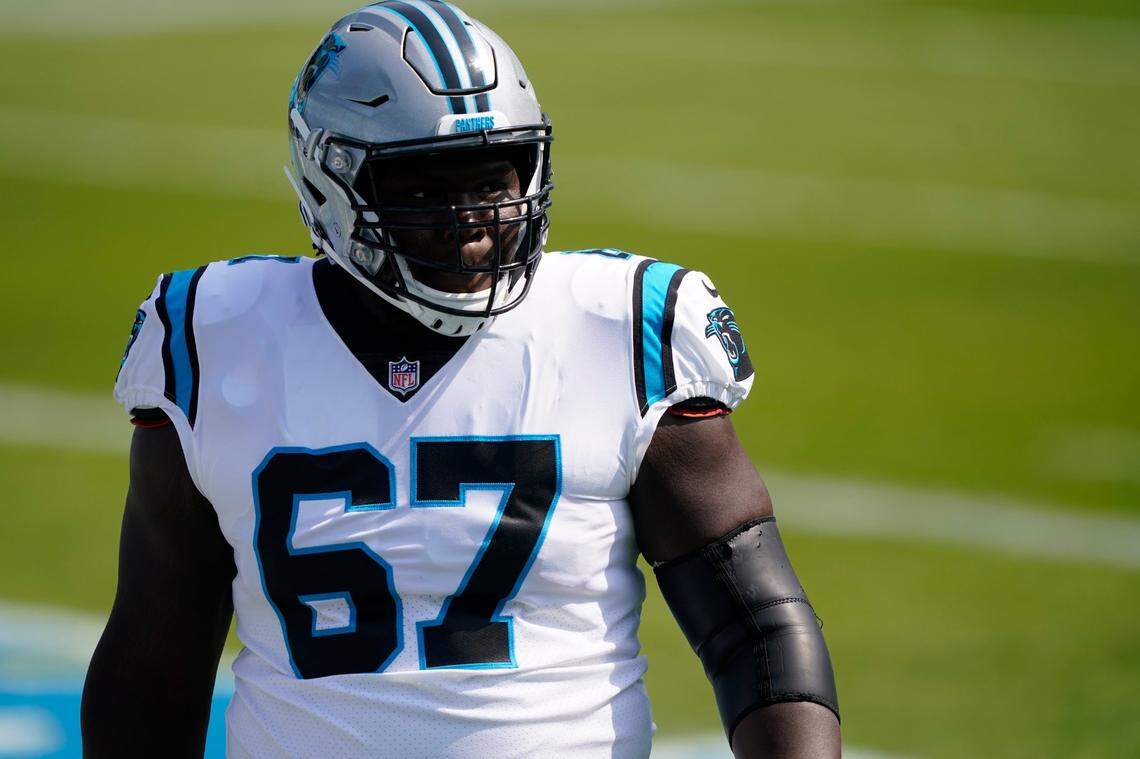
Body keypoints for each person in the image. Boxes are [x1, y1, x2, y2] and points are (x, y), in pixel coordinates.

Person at [81, 2, 840, 757]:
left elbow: (755, 628)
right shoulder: (218, 337)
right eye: (424, 187)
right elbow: (155, 661)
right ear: (331, 180)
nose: (471, 219)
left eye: (493, 179)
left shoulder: (620, 329)